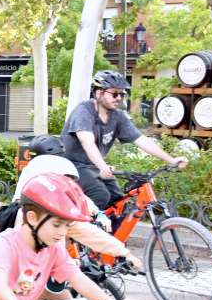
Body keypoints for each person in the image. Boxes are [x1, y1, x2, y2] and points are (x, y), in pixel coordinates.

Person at [60, 70, 187, 212]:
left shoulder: (117, 116)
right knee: (100, 195)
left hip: (94, 167)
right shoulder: (84, 112)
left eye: (122, 94)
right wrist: (102, 166)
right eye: (114, 94)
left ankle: (108, 233)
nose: (119, 98)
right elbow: (87, 143)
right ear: (98, 93)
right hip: (73, 166)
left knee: (118, 201)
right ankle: (78, 230)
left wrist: (170, 160)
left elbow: (141, 140)